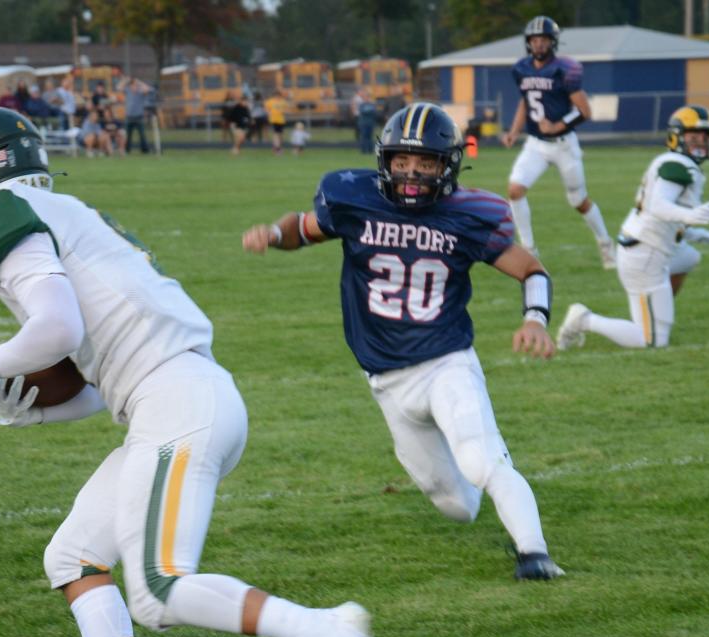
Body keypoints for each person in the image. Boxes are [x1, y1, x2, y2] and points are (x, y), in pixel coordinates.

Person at [0, 106, 374, 637]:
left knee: (160, 589)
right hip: (175, 394)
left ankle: (327, 632)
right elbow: (105, 373)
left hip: (178, 400)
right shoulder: (64, 210)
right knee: (73, 557)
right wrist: (30, 403)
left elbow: (59, 330)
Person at [241, 102, 564, 582]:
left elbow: (530, 269)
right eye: (403, 161)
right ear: (385, 160)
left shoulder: (468, 215)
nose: (412, 173)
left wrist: (535, 319)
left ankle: (534, 554)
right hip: (386, 380)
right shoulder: (353, 199)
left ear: (448, 165)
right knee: (457, 505)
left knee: (481, 457)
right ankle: (490, 486)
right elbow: (305, 229)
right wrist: (272, 232)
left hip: (445, 362)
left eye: (426, 163)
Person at [557, 107, 709, 352]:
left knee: (690, 257)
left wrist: (690, 232)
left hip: (646, 245)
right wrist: (689, 215)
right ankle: (584, 319)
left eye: (706, 137)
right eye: (694, 136)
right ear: (677, 136)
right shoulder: (679, 166)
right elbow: (657, 205)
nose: (702, 142)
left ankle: (656, 307)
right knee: (651, 341)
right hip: (646, 255)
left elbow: (657, 212)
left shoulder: (673, 161)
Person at [501, 16, 615, 268]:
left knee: (579, 201)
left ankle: (605, 243)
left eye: (543, 40)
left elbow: (584, 110)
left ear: (552, 42)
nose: (539, 44)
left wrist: (557, 125)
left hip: (564, 145)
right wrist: (514, 130)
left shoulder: (565, 69)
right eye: (535, 40)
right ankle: (529, 250)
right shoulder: (521, 68)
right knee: (515, 190)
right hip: (536, 144)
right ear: (528, 42)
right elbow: (525, 101)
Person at [122, 77, 151, 154]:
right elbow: (118, 87)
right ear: (130, 86)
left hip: (139, 117)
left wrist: (139, 81)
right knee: (127, 135)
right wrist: (125, 80)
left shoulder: (140, 92)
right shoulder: (127, 91)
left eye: (135, 85)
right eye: (132, 85)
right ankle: (127, 150)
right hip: (129, 117)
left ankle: (145, 150)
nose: (134, 87)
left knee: (142, 135)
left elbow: (148, 89)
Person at [352, 87, 377, 154]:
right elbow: (363, 111)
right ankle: (364, 150)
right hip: (363, 123)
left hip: (370, 123)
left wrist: (367, 111)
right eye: (365, 97)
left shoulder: (371, 104)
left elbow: (373, 112)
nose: (366, 98)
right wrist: (368, 111)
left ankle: (370, 150)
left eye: (367, 97)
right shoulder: (362, 105)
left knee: (370, 137)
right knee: (364, 137)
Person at [265, 88, 288, 154]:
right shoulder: (270, 101)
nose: (277, 97)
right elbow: (266, 108)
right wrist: (269, 112)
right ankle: (277, 148)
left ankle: (278, 147)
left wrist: (283, 111)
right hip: (274, 119)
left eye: (278, 95)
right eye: (276, 95)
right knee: (276, 134)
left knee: (280, 135)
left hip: (281, 120)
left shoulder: (283, 102)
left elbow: (286, 109)